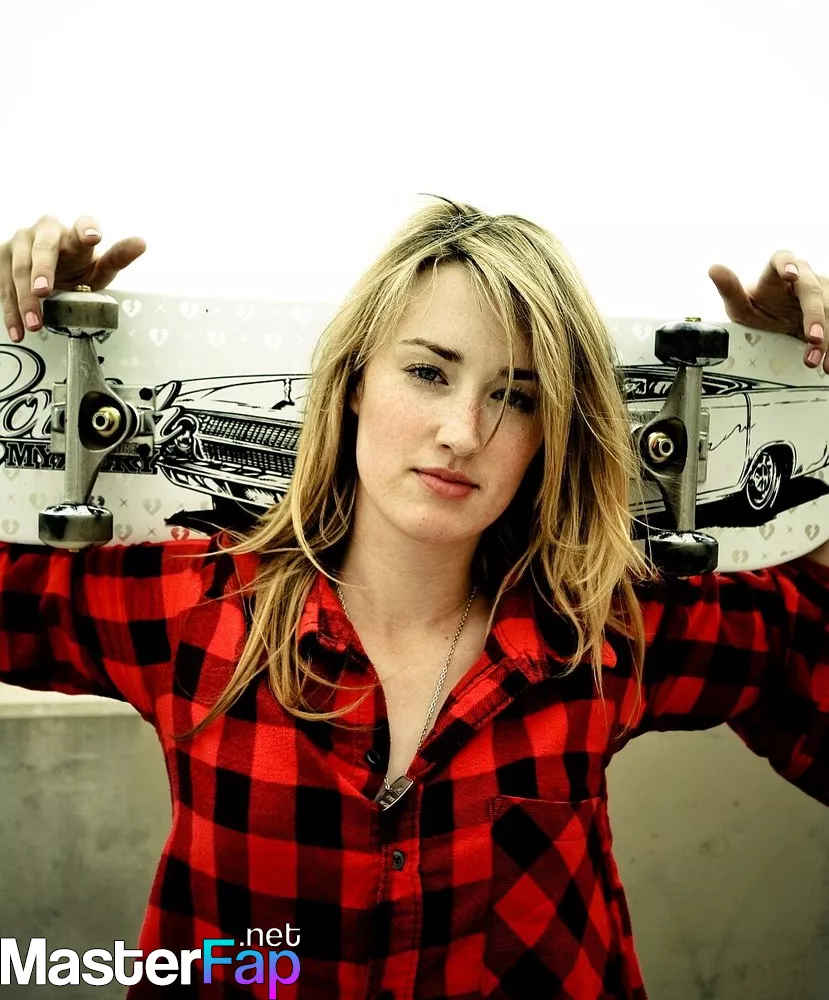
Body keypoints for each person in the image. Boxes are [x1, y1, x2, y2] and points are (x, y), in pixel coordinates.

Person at [0, 197, 827, 1000]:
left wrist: (804, 379)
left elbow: (811, 645)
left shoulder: (604, 631)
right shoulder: (195, 607)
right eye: (428, 372)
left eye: (515, 396)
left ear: (548, 434)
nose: (462, 433)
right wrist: (13, 326)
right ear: (355, 380)